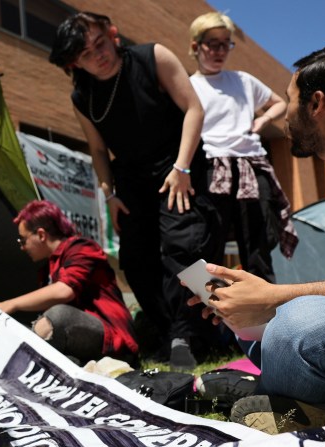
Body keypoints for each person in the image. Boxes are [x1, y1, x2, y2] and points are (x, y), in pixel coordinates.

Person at [188, 41, 325, 433]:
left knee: (297, 325)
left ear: (316, 104)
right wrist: (252, 306)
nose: (285, 114)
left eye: (288, 100)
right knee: (261, 331)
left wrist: (278, 299)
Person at [49, 12, 223, 369]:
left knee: (184, 248)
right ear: (74, 63)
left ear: (112, 34)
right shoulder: (82, 96)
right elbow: (97, 149)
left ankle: (192, 334)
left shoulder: (152, 57)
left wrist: (182, 167)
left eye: (100, 43)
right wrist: (109, 195)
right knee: (136, 259)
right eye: (86, 53)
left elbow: (193, 109)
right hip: (130, 177)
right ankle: (167, 329)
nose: (99, 54)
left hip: (178, 164)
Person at [188, 12, 298, 284]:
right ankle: (208, 311)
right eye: (212, 43)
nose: (220, 51)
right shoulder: (189, 86)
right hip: (212, 166)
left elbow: (280, 103)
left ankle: (264, 317)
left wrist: (262, 119)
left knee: (258, 244)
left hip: (251, 165)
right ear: (195, 46)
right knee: (208, 241)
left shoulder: (243, 80)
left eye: (226, 44)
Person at [0, 200, 138, 366]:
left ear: (41, 235)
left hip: (114, 340)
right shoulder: (46, 269)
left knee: (57, 316)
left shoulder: (82, 248)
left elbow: (65, 290)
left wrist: (11, 304)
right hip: (79, 341)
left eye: (23, 240)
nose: (22, 247)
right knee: (16, 332)